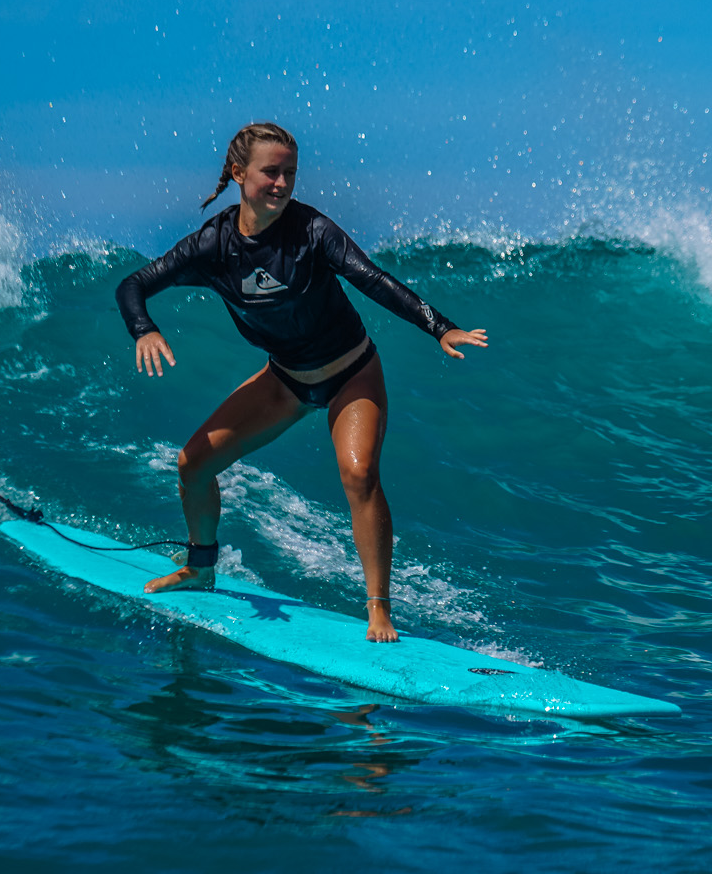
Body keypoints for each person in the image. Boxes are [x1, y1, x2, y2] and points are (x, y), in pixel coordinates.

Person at [116, 122, 486, 642]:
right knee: (193, 464)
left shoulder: (312, 231)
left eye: (290, 172)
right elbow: (134, 284)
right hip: (286, 379)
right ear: (238, 174)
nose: (283, 183)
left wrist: (441, 327)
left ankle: (378, 607)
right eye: (271, 172)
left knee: (358, 475)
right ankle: (200, 567)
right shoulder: (214, 244)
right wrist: (144, 328)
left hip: (350, 371)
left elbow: (373, 279)